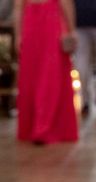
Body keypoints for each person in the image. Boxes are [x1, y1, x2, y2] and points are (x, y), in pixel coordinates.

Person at [14, 0, 78, 144]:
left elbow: (18, 6)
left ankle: (31, 126)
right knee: (51, 75)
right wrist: (72, 29)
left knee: (32, 75)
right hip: (51, 21)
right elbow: (65, 3)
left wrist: (18, 34)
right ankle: (45, 127)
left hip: (30, 21)